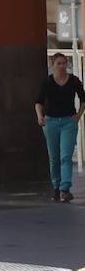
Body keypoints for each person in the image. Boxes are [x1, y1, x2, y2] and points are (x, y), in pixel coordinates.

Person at [35, 52, 85, 202]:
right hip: (50, 122)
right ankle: (56, 187)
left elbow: (83, 100)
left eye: (64, 63)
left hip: (68, 122)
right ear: (53, 65)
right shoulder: (47, 82)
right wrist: (40, 116)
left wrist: (78, 116)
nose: (62, 66)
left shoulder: (74, 81)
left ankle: (64, 188)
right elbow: (38, 101)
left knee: (65, 156)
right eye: (59, 63)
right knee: (54, 158)